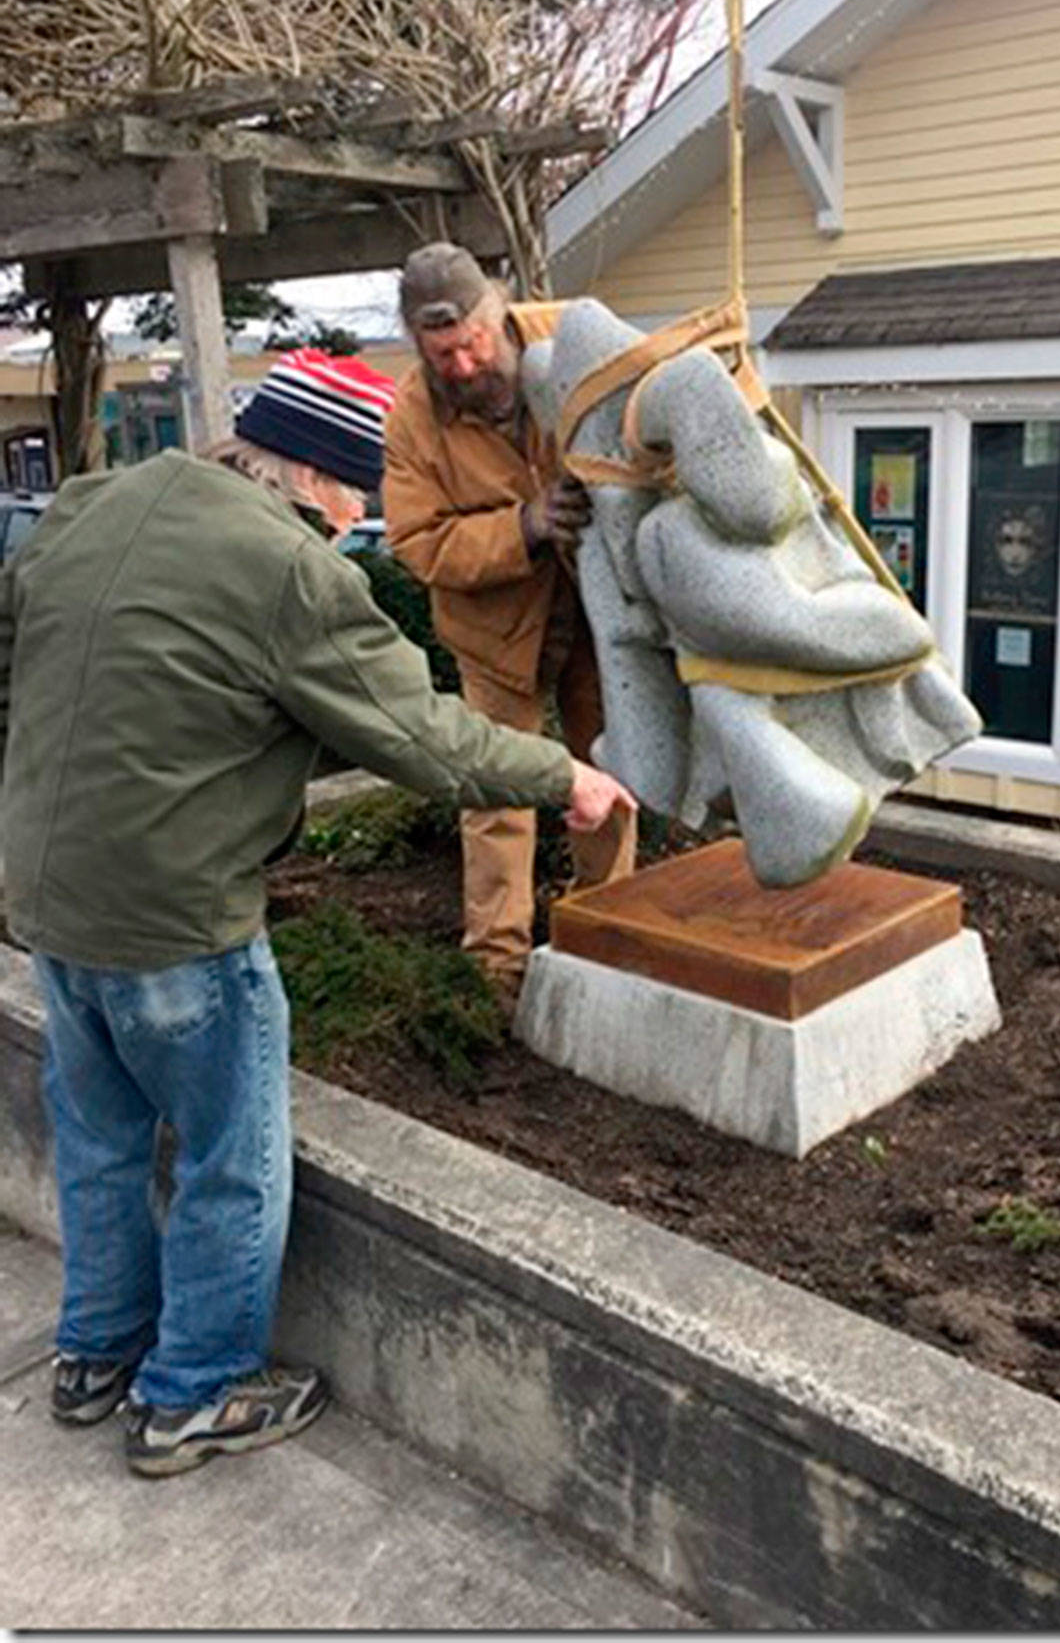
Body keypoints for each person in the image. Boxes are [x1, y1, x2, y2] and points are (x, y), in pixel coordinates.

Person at [0, 346, 635, 1478]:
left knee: (97, 1140)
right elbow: (418, 733)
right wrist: (563, 778)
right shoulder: (290, 575)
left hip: (49, 902)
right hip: (176, 919)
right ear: (322, 482)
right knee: (227, 1156)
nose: (365, 520)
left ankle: (94, 1356)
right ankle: (192, 1393)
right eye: (364, 496)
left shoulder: (93, 504)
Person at [382, 244, 637, 1017]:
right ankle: (497, 971)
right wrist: (522, 525)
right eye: (441, 353)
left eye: (473, 344)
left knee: (608, 772)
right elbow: (417, 542)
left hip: (595, 618)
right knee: (495, 793)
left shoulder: (572, 337)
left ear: (501, 313)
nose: (461, 365)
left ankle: (614, 928)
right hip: (494, 635)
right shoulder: (411, 418)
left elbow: (648, 401)